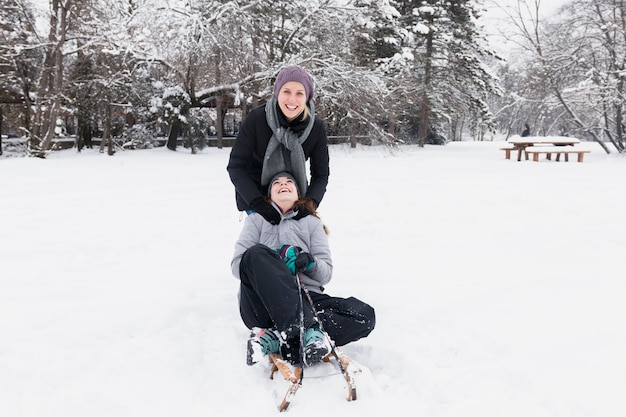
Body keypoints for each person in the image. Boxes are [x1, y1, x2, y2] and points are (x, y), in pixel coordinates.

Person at [231, 172, 375, 367]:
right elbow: (238, 265)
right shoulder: (256, 220)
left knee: (364, 315)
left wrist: (309, 262)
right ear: (269, 194)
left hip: (308, 298)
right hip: (262, 303)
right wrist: (275, 259)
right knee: (255, 253)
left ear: (298, 193)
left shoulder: (312, 223)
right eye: (277, 183)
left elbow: (326, 274)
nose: (284, 184)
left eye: (290, 182)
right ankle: (308, 329)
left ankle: (278, 337)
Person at [227, 65, 330, 225]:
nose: (292, 99)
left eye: (299, 93)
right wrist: (257, 203)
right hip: (257, 196)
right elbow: (236, 166)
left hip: (295, 199)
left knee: (295, 247)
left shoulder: (315, 128)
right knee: (264, 247)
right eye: (286, 91)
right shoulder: (257, 119)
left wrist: (309, 204)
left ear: (307, 97)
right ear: (277, 93)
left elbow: (321, 175)